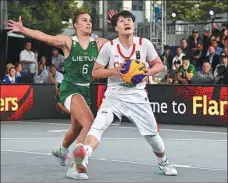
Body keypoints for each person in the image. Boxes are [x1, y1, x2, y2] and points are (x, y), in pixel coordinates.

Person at [72, 10, 178, 177]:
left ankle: (163, 161)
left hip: (137, 96)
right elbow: (95, 72)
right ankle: (84, 156)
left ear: (133, 25)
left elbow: (159, 65)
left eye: (129, 20)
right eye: (122, 21)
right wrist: (115, 71)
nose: (126, 22)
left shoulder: (144, 43)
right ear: (116, 27)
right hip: (114, 95)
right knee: (98, 125)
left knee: (152, 136)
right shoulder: (109, 47)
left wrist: (147, 73)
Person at [7, 11, 108, 179]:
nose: (89, 23)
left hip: (85, 90)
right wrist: (24, 30)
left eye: (90, 20)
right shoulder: (69, 42)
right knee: (89, 122)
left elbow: (119, 45)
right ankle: (75, 167)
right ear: (75, 25)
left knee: (77, 127)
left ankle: (61, 150)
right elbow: (45, 37)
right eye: (84, 20)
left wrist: (118, 24)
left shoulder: (97, 43)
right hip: (70, 89)